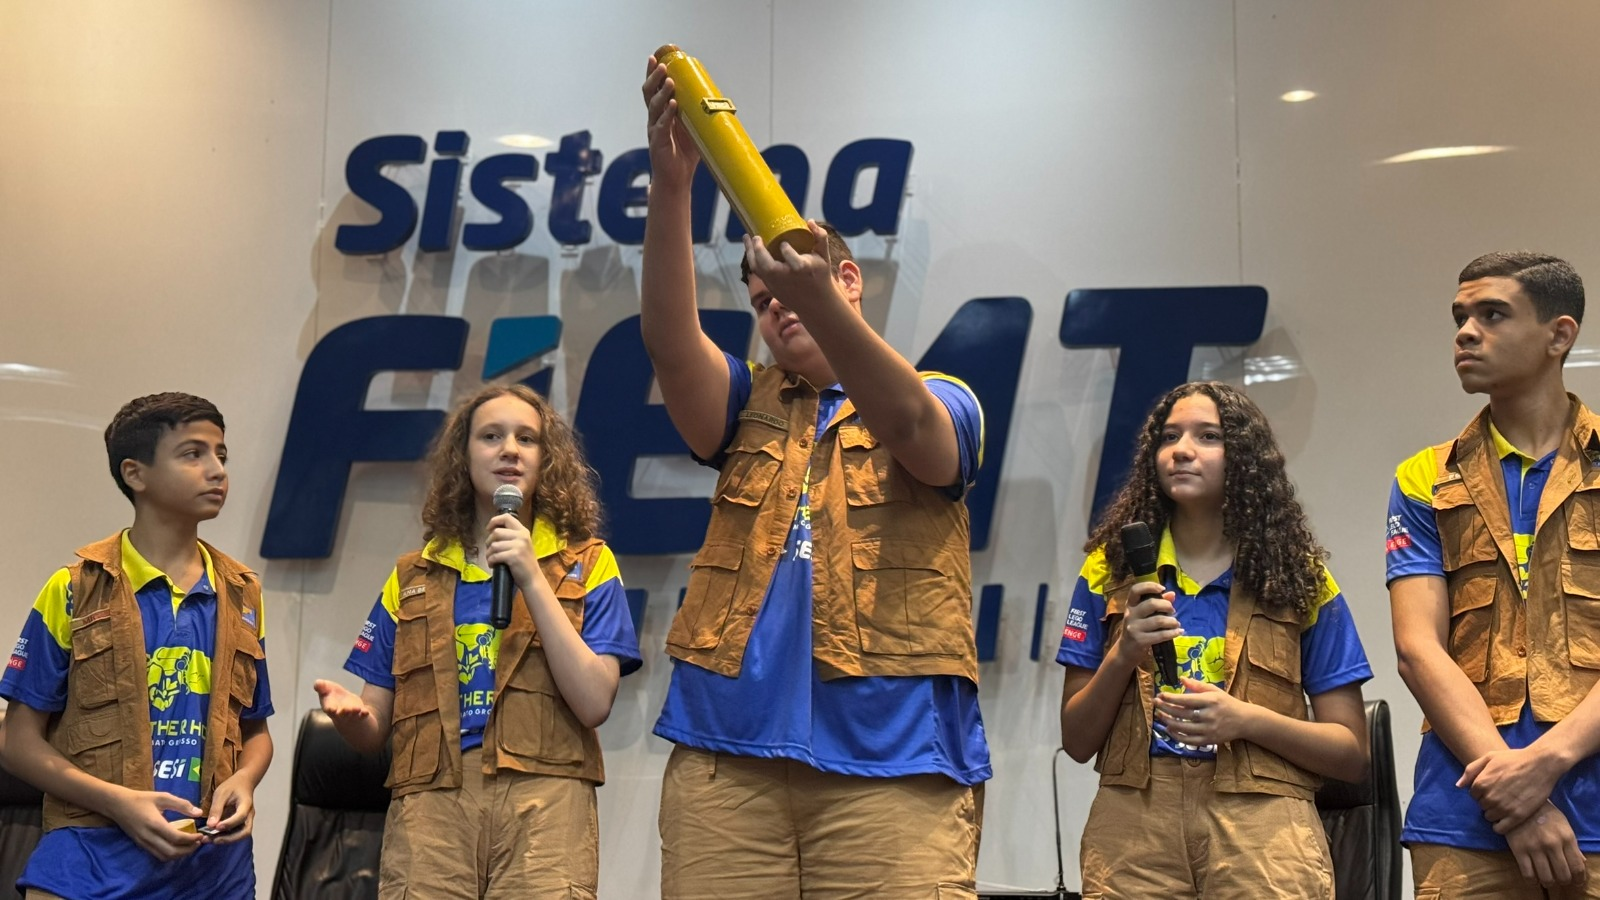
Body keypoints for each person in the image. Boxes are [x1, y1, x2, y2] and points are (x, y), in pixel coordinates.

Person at [638, 55, 988, 898]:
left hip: (894, 769)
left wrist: (815, 294)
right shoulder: (741, 402)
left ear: (850, 280)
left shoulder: (943, 397)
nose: (777, 305)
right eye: (760, 299)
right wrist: (674, 186)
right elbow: (668, 340)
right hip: (728, 763)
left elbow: (913, 432)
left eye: (793, 287)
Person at [314, 383, 641, 899]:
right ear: (462, 458)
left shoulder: (588, 565)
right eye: (491, 436)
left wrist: (531, 575)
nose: (510, 449)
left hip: (546, 801)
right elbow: (374, 730)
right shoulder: (411, 575)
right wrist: (354, 720)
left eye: (527, 439)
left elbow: (595, 700)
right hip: (433, 805)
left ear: (546, 459)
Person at [1058, 381, 1371, 898]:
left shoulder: (1300, 579)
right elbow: (1076, 741)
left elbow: (1351, 753)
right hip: (1134, 824)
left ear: (1245, 461)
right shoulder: (1107, 572)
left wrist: (1245, 719)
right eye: (1170, 436)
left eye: (1208, 436)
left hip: (1263, 828)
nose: (1182, 449)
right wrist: (1124, 654)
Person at [0, 392, 273, 899]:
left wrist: (246, 781)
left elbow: (255, 731)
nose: (217, 470)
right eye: (193, 454)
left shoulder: (243, 593)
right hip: (89, 857)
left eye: (222, 455)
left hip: (212, 866)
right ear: (136, 474)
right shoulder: (73, 587)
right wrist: (118, 801)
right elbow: (16, 742)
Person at [1388, 251, 1600, 896]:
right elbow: (1416, 649)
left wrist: (1548, 764)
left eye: (1492, 314)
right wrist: (1518, 798)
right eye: (1460, 316)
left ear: (1559, 335)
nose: (1465, 332)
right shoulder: (1424, 475)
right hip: (1464, 820)